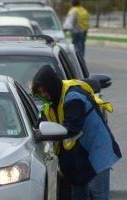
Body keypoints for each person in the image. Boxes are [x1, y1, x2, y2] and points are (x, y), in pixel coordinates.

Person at [31, 65, 122, 200]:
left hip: (96, 151)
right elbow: (42, 123)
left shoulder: (74, 97)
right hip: (77, 157)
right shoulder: (50, 104)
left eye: (45, 91)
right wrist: (36, 131)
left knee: (98, 194)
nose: (44, 95)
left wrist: (42, 133)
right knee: (79, 195)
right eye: (41, 92)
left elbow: (72, 127)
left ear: (52, 86)